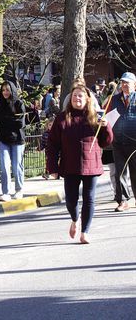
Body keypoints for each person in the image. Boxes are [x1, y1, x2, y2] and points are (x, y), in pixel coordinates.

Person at [46, 84, 113, 244]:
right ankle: (75, 219)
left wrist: (106, 127)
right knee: (71, 200)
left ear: (87, 99)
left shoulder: (96, 116)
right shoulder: (62, 118)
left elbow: (106, 142)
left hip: (91, 164)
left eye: (81, 96)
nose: (77, 98)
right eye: (75, 95)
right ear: (70, 98)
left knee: (89, 198)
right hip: (70, 165)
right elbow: (52, 144)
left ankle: (85, 232)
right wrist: (52, 168)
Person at [107, 72, 136, 212]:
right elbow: (108, 115)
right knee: (120, 172)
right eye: (123, 82)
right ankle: (123, 200)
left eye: (128, 82)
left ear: (134, 85)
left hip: (134, 142)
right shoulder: (115, 98)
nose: (125, 85)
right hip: (118, 142)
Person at [0, 81, 26, 201]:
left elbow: (20, 123)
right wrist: (10, 121)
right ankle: (5, 192)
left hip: (17, 139)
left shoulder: (19, 104)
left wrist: (6, 122)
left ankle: (19, 189)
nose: (5, 92)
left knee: (17, 165)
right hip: (3, 139)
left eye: (7, 90)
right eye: (3, 90)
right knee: (5, 166)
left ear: (12, 90)